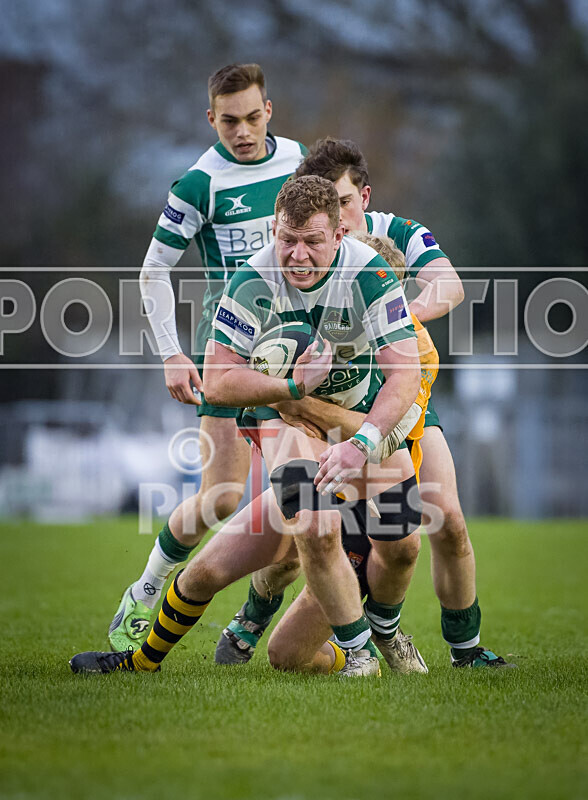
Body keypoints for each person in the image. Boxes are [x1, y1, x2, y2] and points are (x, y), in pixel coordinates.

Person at [70, 175, 424, 677]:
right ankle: (142, 661)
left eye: (312, 242)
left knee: (405, 546)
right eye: (288, 240)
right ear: (273, 231)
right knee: (276, 543)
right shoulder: (252, 280)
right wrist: (291, 389)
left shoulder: (371, 275)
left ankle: (385, 634)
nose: (297, 255)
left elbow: (404, 373)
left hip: (363, 427)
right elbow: (217, 382)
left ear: (339, 237)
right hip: (289, 419)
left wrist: (362, 441)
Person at [219, 138, 513, 669]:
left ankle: (455, 650)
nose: (335, 218)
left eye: (344, 203)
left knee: (440, 516)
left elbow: (449, 286)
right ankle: (254, 616)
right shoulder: (294, 257)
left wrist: (390, 321)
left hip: (386, 401)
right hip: (310, 401)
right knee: (303, 524)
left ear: (363, 200)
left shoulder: (393, 236)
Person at [108, 63, 307, 651]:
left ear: (268, 111)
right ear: (210, 118)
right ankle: (146, 589)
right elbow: (153, 271)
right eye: (228, 121)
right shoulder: (197, 184)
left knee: (300, 501)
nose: (241, 131)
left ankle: (250, 621)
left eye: (251, 117)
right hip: (226, 351)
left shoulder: (299, 161)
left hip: (298, 350)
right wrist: (172, 354)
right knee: (222, 496)